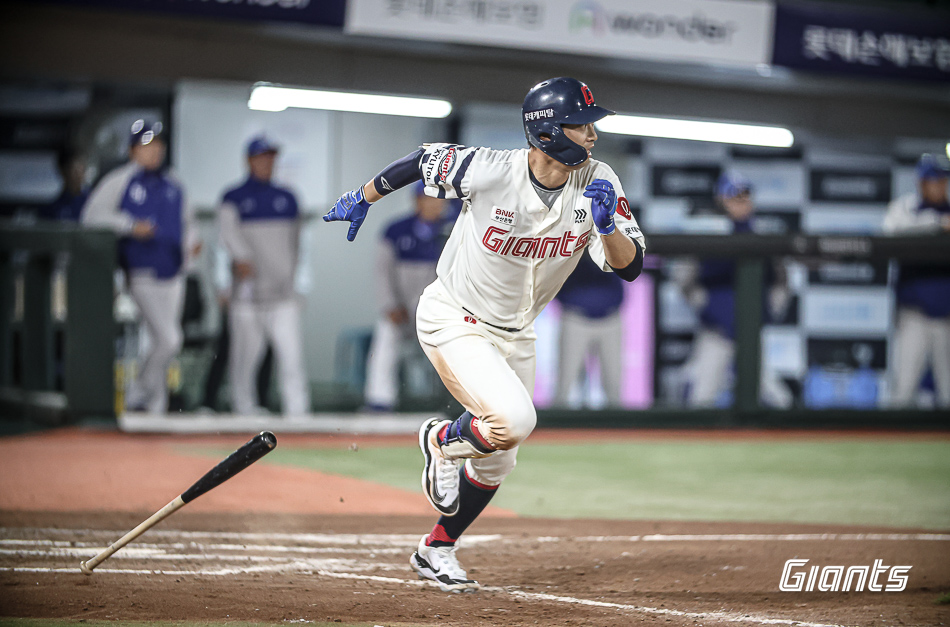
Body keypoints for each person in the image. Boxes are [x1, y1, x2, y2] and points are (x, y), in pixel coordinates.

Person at [324, 77, 645, 591]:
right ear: (547, 132)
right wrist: (363, 196)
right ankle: (442, 440)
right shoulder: (492, 169)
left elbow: (629, 266)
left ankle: (436, 548)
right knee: (516, 419)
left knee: (499, 462)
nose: (591, 134)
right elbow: (422, 160)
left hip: (518, 332)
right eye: (581, 124)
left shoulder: (600, 180)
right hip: (455, 316)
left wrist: (607, 226)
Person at [82, 120, 194, 413]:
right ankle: (138, 392)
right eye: (147, 145)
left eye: (157, 144)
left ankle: (155, 410)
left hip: (173, 271)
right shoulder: (120, 180)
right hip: (140, 270)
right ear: (133, 150)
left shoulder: (174, 182)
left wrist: (192, 244)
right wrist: (130, 225)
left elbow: (188, 222)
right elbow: (92, 216)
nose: (154, 151)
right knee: (170, 340)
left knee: (157, 343)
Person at [679, 171, 792, 408]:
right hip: (715, 332)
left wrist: (766, 313)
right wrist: (707, 308)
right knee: (701, 397)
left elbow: (781, 281)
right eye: (734, 196)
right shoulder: (707, 232)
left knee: (778, 398)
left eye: (745, 195)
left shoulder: (763, 235)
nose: (741, 201)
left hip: (750, 333)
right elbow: (685, 278)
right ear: (721, 199)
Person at [218, 135, 310, 415]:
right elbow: (226, 240)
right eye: (261, 157)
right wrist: (229, 277)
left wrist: (296, 282)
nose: (266, 162)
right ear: (249, 160)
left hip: (282, 295)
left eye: (271, 157)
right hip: (247, 295)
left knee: (291, 357)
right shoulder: (233, 198)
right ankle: (242, 408)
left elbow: (298, 246)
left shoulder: (289, 198)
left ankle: (299, 413)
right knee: (245, 358)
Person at [363, 182, 450, 411]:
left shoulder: (454, 229)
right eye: (430, 198)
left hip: (439, 310)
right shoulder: (396, 230)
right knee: (385, 340)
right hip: (402, 306)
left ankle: (460, 404)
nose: (436, 203)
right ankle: (379, 401)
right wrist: (389, 304)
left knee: (459, 345)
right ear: (417, 201)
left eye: (439, 198)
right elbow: (382, 272)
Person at [882, 153, 950, 408]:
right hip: (915, 313)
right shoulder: (904, 209)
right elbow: (890, 233)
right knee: (903, 389)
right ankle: (889, 446)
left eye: (942, 180)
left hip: (947, 316)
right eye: (933, 180)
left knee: (949, 391)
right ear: (921, 183)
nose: (939, 186)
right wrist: (937, 224)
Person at [553, 249, 625, 408]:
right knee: (564, 386)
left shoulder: (614, 225)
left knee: (614, 387)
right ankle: (556, 431)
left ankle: (618, 431)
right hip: (575, 315)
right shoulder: (567, 226)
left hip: (610, 316)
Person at [39, 152, 88, 222]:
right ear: (63, 171)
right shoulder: (52, 208)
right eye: (75, 171)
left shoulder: (90, 201)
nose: (79, 176)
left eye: (82, 169)